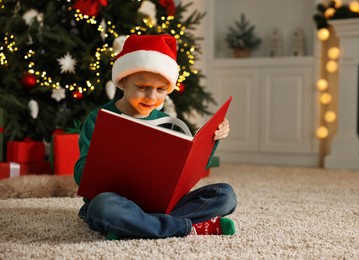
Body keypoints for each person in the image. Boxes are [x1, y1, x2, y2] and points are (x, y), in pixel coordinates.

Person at [74, 34, 237, 239]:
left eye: (161, 90)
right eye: (142, 87)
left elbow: (188, 172)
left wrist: (214, 138)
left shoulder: (169, 123)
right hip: (116, 201)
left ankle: (135, 227)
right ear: (124, 81)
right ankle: (186, 227)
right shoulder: (98, 118)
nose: (152, 97)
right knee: (103, 207)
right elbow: (81, 175)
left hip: (160, 204)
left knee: (225, 195)